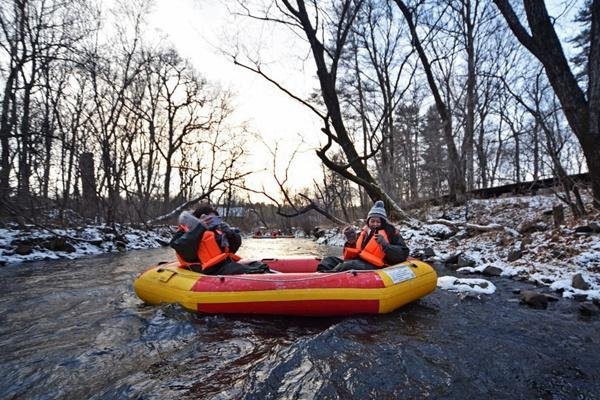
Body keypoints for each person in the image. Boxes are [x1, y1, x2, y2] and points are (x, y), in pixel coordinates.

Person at [170, 203, 270, 275]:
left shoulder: (217, 232)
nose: (214, 222)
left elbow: (232, 249)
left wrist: (231, 234)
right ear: (200, 218)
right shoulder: (186, 231)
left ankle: (270, 277)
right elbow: (182, 248)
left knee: (256, 264)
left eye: (216, 219)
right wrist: (200, 227)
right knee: (235, 267)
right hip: (205, 269)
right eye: (211, 219)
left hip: (221, 266)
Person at [317, 200, 409, 272]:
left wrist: (385, 245)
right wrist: (351, 242)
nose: (375, 224)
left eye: (378, 221)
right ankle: (319, 276)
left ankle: (326, 280)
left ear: (383, 222)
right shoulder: (365, 232)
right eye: (372, 221)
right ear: (368, 221)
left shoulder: (391, 232)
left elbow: (403, 254)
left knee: (347, 265)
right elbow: (356, 251)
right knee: (329, 260)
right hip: (361, 260)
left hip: (377, 265)